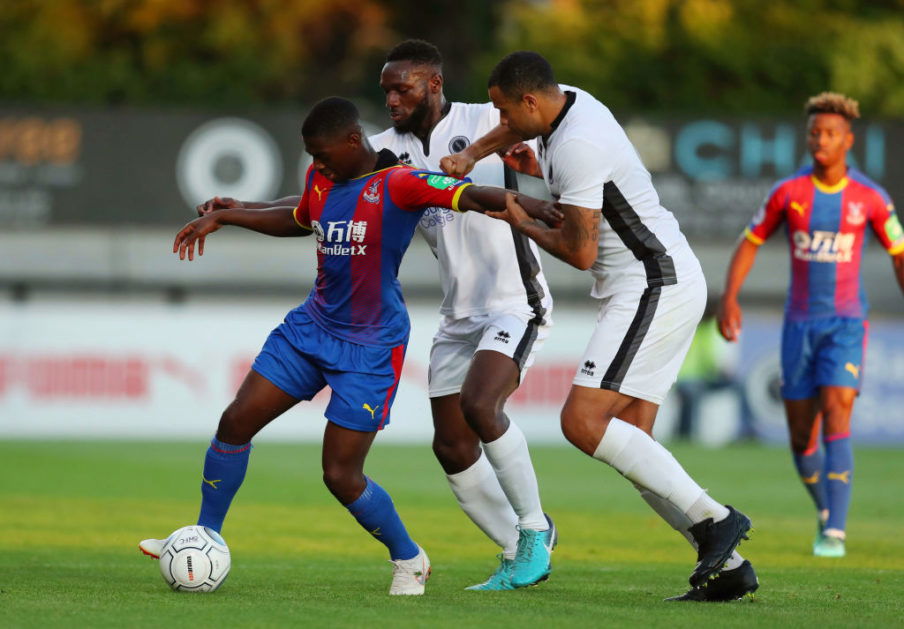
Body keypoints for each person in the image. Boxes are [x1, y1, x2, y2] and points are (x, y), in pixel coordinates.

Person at [137, 96, 560, 595]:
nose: (316, 165)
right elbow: (299, 218)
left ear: (353, 141)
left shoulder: (398, 182)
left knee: (339, 474)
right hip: (310, 330)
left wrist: (539, 208)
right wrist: (232, 215)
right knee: (235, 421)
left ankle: (410, 559)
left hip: (370, 347)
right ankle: (204, 534)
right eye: (311, 155)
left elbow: (471, 194)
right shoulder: (323, 181)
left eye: (322, 154)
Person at [441, 51, 757, 602]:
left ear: (531, 100)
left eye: (504, 112)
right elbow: (527, 142)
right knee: (636, 446)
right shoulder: (564, 102)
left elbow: (581, 252)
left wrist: (522, 219)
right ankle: (730, 567)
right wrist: (472, 155)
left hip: (653, 282)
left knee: (582, 422)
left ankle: (716, 519)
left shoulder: (578, 143)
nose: (501, 123)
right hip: (661, 279)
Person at [718, 92, 904, 558]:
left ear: (848, 141)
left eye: (830, 133)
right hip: (798, 325)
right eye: (814, 132)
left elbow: (899, 253)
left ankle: (835, 531)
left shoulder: (871, 198)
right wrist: (731, 298)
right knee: (802, 434)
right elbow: (749, 241)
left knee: (838, 409)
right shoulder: (788, 193)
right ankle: (826, 511)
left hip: (845, 322)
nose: (820, 140)